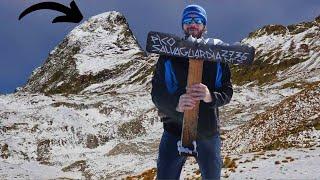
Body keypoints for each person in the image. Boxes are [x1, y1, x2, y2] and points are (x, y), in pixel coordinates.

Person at [151, 4, 233, 180]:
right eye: (188, 21)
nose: (192, 24)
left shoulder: (218, 57)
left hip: (208, 132)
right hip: (174, 130)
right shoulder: (168, 55)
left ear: (204, 25)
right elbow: (157, 93)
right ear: (182, 25)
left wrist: (210, 96)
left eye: (198, 20)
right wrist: (176, 104)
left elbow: (227, 91)